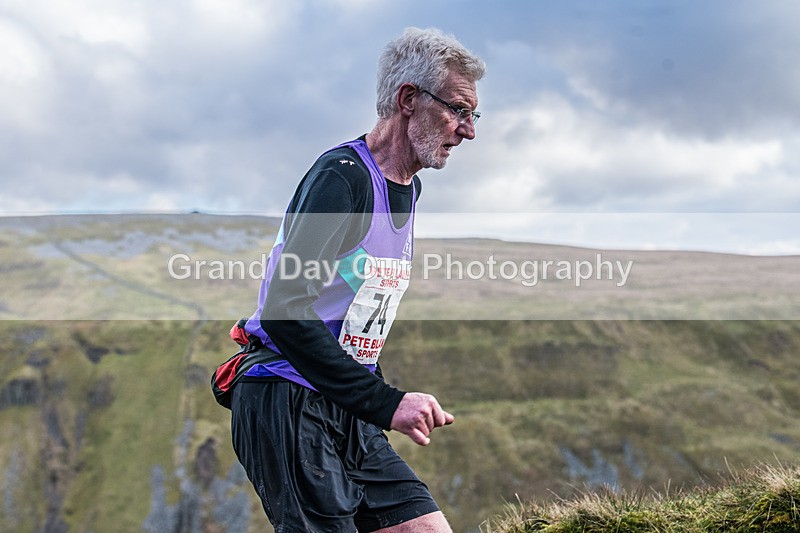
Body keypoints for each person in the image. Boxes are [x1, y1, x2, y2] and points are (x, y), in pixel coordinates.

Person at [229, 27, 485, 532]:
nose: (468, 131)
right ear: (408, 100)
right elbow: (284, 310)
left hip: (346, 402)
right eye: (458, 110)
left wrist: (373, 396)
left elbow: (355, 311)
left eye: (473, 115)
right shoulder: (341, 179)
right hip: (285, 395)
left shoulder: (408, 189)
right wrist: (388, 404)